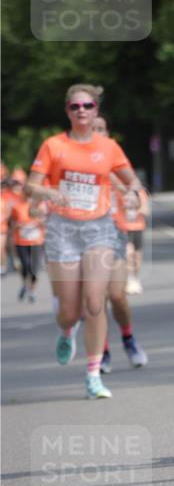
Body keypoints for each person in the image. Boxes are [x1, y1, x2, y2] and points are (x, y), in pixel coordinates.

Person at [25, 84, 144, 400]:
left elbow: (131, 179)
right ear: (67, 110)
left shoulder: (108, 147)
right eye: (75, 106)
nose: (81, 111)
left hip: (99, 230)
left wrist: (132, 191)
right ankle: (66, 330)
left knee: (95, 300)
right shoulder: (53, 146)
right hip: (62, 231)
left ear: (96, 111)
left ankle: (93, 375)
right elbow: (30, 187)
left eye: (87, 106)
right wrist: (48, 192)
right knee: (69, 310)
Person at [91, 115, 149, 373]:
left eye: (101, 129)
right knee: (97, 298)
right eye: (92, 129)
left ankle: (128, 338)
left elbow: (134, 190)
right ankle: (102, 351)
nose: (96, 133)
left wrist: (133, 197)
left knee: (117, 296)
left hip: (114, 233)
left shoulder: (114, 159)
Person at [8, 169, 46, 302]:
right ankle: (25, 284)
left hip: (36, 240)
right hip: (21, 240)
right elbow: (11, 223)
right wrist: (18, 226)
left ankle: (31, 290)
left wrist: (37, 223)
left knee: (34, 269)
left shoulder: (39, 205)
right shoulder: (17, 206)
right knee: (25, 266)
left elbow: (44, 221)